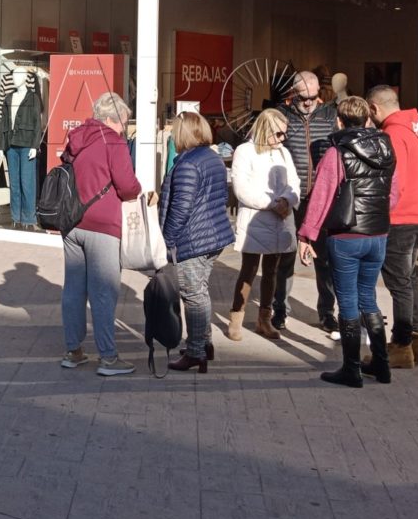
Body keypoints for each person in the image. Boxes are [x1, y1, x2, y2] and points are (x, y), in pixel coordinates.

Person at [297, 96, 397, 388]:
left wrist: (307, 235)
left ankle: (351, 369)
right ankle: (381, 364)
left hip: (346, 235)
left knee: (349, 302)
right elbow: (394, 194)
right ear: (368, 118)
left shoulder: (337, 152)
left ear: (338, 121)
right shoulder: (387, 148)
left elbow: (322, 197)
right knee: (370, 298)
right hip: (377, 234)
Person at [60, 92, 142, 377]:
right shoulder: (113, 140)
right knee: (104, 291)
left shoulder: (77, 136)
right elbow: (127, 185)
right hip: (103, 225)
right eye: (124, 121)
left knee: (73, 288)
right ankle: (108, 358)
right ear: (111, 118)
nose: (125, 127)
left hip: (71, 223)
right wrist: (139, 189)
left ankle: (74, 351)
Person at [367, 84, 418, 368]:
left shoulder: (392, 134)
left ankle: (401, 346)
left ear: (374, 108)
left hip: (399, 218)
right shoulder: (417, 128)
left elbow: (390, 181)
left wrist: (382, 209)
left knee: (399, 283)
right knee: (409, 278)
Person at [159, 111, 236, 372]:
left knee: (193, 295)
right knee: (200, 291)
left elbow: (181, 208)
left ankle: (195, 352)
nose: (171, 135)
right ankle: (204, 343)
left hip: (194, 238)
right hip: (213, 235)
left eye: (174, 131)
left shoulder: (188, 164)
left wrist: (167, 240)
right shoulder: (211, 157)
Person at [273, 70, 339, 334]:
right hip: (293, 197)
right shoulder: (282, 116)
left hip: (323, 198)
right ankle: (280, 309)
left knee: (325, 259)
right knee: (286, 255)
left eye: (314, 97)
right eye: (304, 97)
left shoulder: (330, 116)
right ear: (293, 94)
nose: (310, 102)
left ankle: (327, 312)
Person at [227, 109, 300, 341]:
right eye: (278, 134)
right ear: (266, 129)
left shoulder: (283, 153)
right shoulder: (245, 151)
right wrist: (272, 203)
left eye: (284, 134)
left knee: (272, 271)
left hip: (280, 218)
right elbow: (241, 188)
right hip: (258, 219)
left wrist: (288, 200)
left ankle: (264, 318)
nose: (282, 139)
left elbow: (295, 182)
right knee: (248, 269)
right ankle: (236, 315)